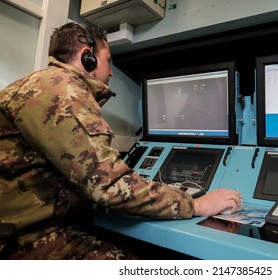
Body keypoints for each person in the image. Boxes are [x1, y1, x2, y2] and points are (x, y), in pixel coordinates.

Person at [0, 22, 242, 259]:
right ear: (88, 57)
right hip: (24, 239)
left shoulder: (44, 84)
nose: (112, 71)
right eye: (108, 60)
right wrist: (196, 205)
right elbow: (110, 186)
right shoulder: (63, 93)